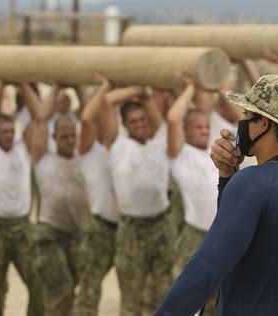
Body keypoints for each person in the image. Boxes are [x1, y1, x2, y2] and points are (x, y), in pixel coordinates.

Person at [155, 75, 278, 315]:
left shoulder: (254, 181)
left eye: (248, 117)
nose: (242, 124)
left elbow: (206, 269)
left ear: (265, 123)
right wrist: (227, 176)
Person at [0, 81, 43, 316]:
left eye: (12, 131)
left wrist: (22, 85)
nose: (10, 136)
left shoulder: (23, 148)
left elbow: (39, 118)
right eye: (4, 132)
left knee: (39, 284)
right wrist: (2, 84)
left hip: (23, 225)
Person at [21, 83, 90, 316]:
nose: (70, 140)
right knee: (61, 291)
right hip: (49, 234)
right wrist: (58, 87)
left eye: (73, 136)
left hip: (78, 235)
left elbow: (91, 117)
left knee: (69, 290)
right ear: (55, 137)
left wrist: (80, 87)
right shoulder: (43, 157)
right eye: (64, 137)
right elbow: (40, 119)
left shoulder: (83, 156)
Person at [105, 86, 175, 315]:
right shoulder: (118, 146)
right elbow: (107, 102)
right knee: (131, 298)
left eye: (142, 120)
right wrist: (136, 87)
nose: (140, 125)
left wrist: (145, 95)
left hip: (161, 224)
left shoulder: (158, 142)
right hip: (131, 229)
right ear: (124, 125)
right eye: (133, 121)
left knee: (162, 294)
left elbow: (157, 117)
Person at [166, 77, 219, 315]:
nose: (204, 131)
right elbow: (172, 119)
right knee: (187, 302)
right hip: (194, 236)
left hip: (219, 236)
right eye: (198, 127)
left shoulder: (213, 154)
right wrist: (189, 88)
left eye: (207, 127)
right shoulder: (180, 154)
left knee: (218, 302)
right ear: (186, 131)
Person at [71, 75, 120, 316]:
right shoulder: (88, 150)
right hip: (99, 228)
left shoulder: (119, 148)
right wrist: (105, 87)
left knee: (135, 290)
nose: (108, 121)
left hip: (125, 228)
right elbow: (86, 118)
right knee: (89, 291)